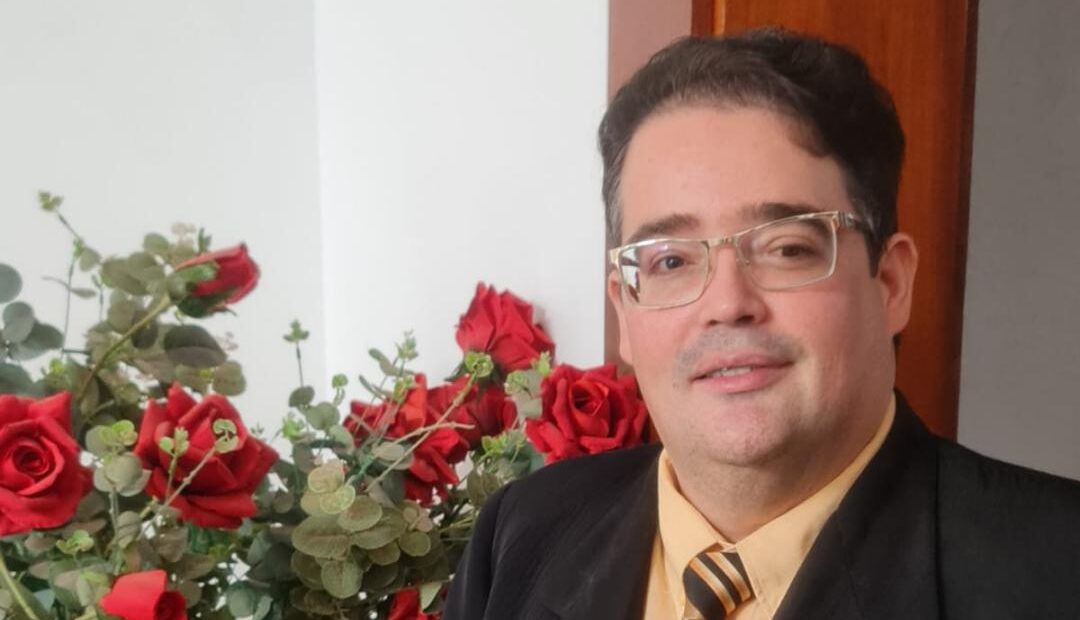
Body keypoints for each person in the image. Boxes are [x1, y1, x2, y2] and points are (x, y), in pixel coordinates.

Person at [444, 28, 1080, 620]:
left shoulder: (1056, 570)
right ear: (625, 313)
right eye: (670, 261)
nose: (727, 302)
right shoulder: (522, 535)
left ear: (891, 284)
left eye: (787, 248)